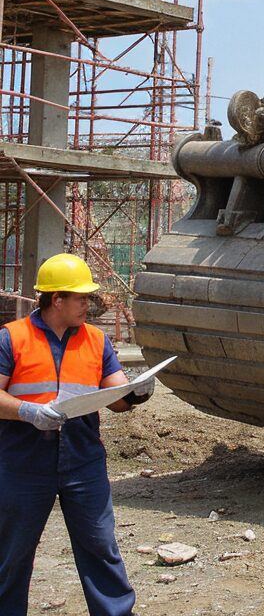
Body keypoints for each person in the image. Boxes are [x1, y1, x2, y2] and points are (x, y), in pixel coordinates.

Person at [0, 254, 155, 616]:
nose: (90, 304)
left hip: (83, 464)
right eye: (82, 298)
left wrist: (136, 393)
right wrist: (28, 411)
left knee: (100, 546)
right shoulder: (12, 338)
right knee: (12, 553)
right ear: (57, 299)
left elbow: (116, 397)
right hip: (22, 465)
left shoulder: (96, 340)